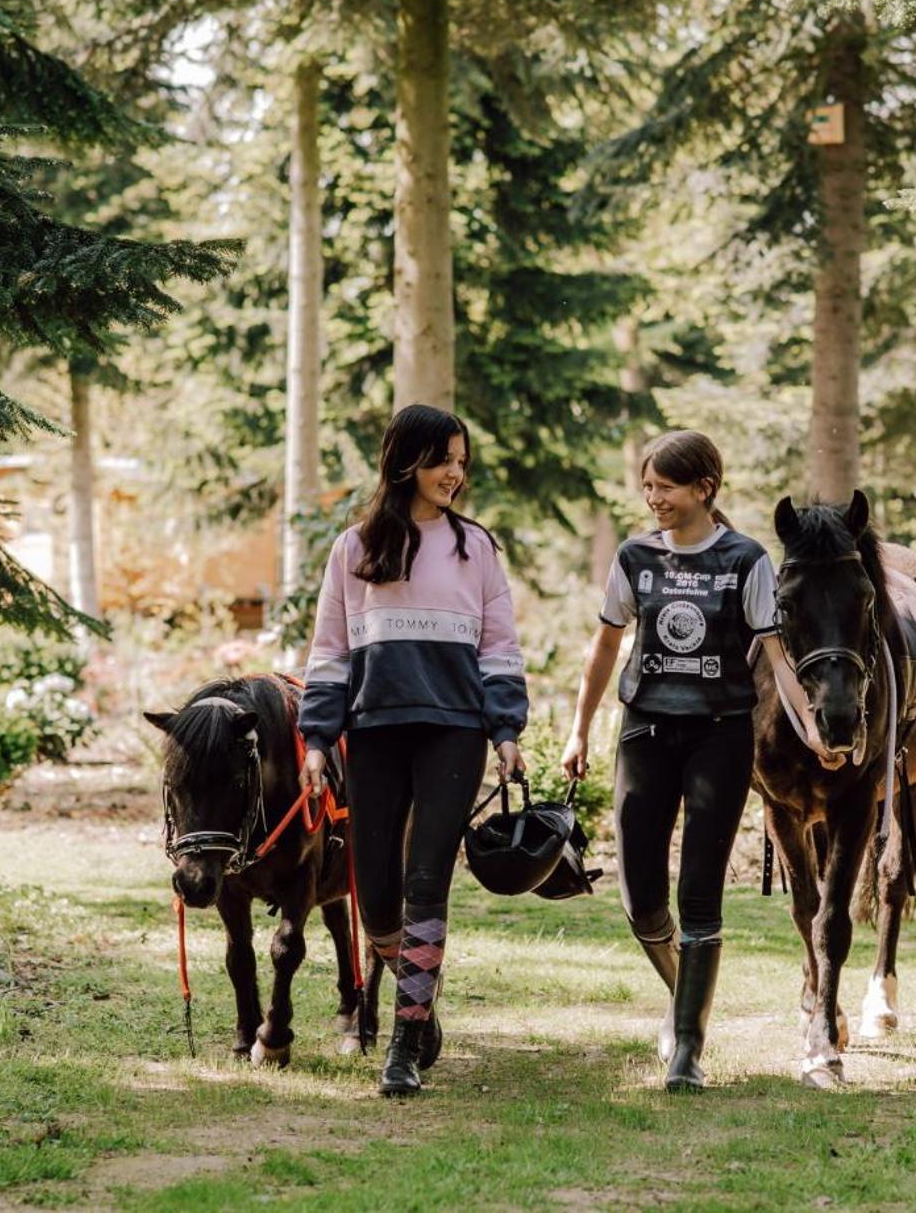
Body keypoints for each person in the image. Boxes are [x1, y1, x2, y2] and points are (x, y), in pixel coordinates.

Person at [298, 403, 528, 1098]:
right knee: (377, 898)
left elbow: (499, 646)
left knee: (428, 879)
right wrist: (314, 738)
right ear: (405, 461)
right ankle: (421, 1002)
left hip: (452, 730)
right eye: (442, 459)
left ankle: (402, 1041)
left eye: (462, 460)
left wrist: (506, 729)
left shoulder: (474, 548)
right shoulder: (354, 547)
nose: (455, 473)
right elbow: (330, 652)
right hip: (373, 731)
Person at [560, 430, 778, 1091]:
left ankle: (686, 1046)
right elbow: (604, 648)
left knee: (700, 892)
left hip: (719, 734)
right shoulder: (634, 556)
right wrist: (578, 730)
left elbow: (774, 655)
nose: (653, 497)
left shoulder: (745, 558)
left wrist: (809, 726)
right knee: (640, 896)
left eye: (665, 486)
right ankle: (689, 993)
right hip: (645, 731)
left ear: (703, 488)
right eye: (647, 486)